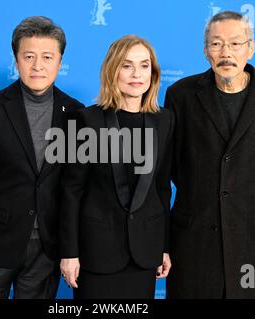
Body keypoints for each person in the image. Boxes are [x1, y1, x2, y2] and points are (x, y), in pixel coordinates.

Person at [0, 16, 84, 299]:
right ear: (16, 59)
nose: (38, 66)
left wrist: (72, 248)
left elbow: (75, 187)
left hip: (47, 246)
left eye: (47, 57)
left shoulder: (76, 113)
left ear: (59, 61)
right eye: (29, 56)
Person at [164, 11, 255, 298]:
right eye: (216, 44)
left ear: (251, 47)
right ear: (205, 50)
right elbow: (173, 166)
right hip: (195, 238)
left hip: (251, 238)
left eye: (235, 44)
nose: (226, 53)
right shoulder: (181, 95)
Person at [59, 35, 173, 299]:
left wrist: (163, 246)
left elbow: (162, 188)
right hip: (97, 252)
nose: (137, 74)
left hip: (145, 253)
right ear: (113, 70)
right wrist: (69, 252)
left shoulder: (165, 120)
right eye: (127, 65)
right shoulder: (86, 120)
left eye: (144, 66)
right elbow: (71, 191)